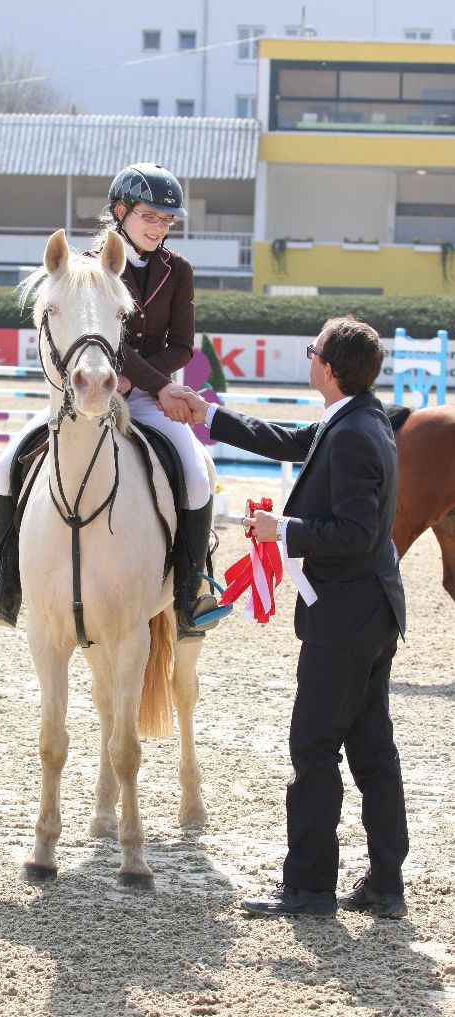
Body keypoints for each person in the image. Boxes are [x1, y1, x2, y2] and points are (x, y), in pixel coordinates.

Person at [166, 316, 409, 919]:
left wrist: (286, 531)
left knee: (314, 750)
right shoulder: (359, 418)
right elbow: (285, 439)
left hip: (346, 618)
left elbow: (353, 532)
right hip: (373, 611)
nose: (308, 361)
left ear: (328, 367)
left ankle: (308, 889)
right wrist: (209, 415)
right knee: (374, 752)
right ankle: (385, 883)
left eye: (312, 353)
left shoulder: (352, 433)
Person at [0, 162, 220, 639]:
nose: (158, 226)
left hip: (148, 400)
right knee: (3, 468)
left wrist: (141, 383)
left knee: (196, 478)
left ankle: (188, 597)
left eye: (166, 220)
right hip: (83, 393)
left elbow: (183, 346)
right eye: (150, 215)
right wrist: (115, 378)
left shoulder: (178, 270)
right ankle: (8, 587)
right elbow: (94, 338)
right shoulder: (84, 267)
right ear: (120, 211)